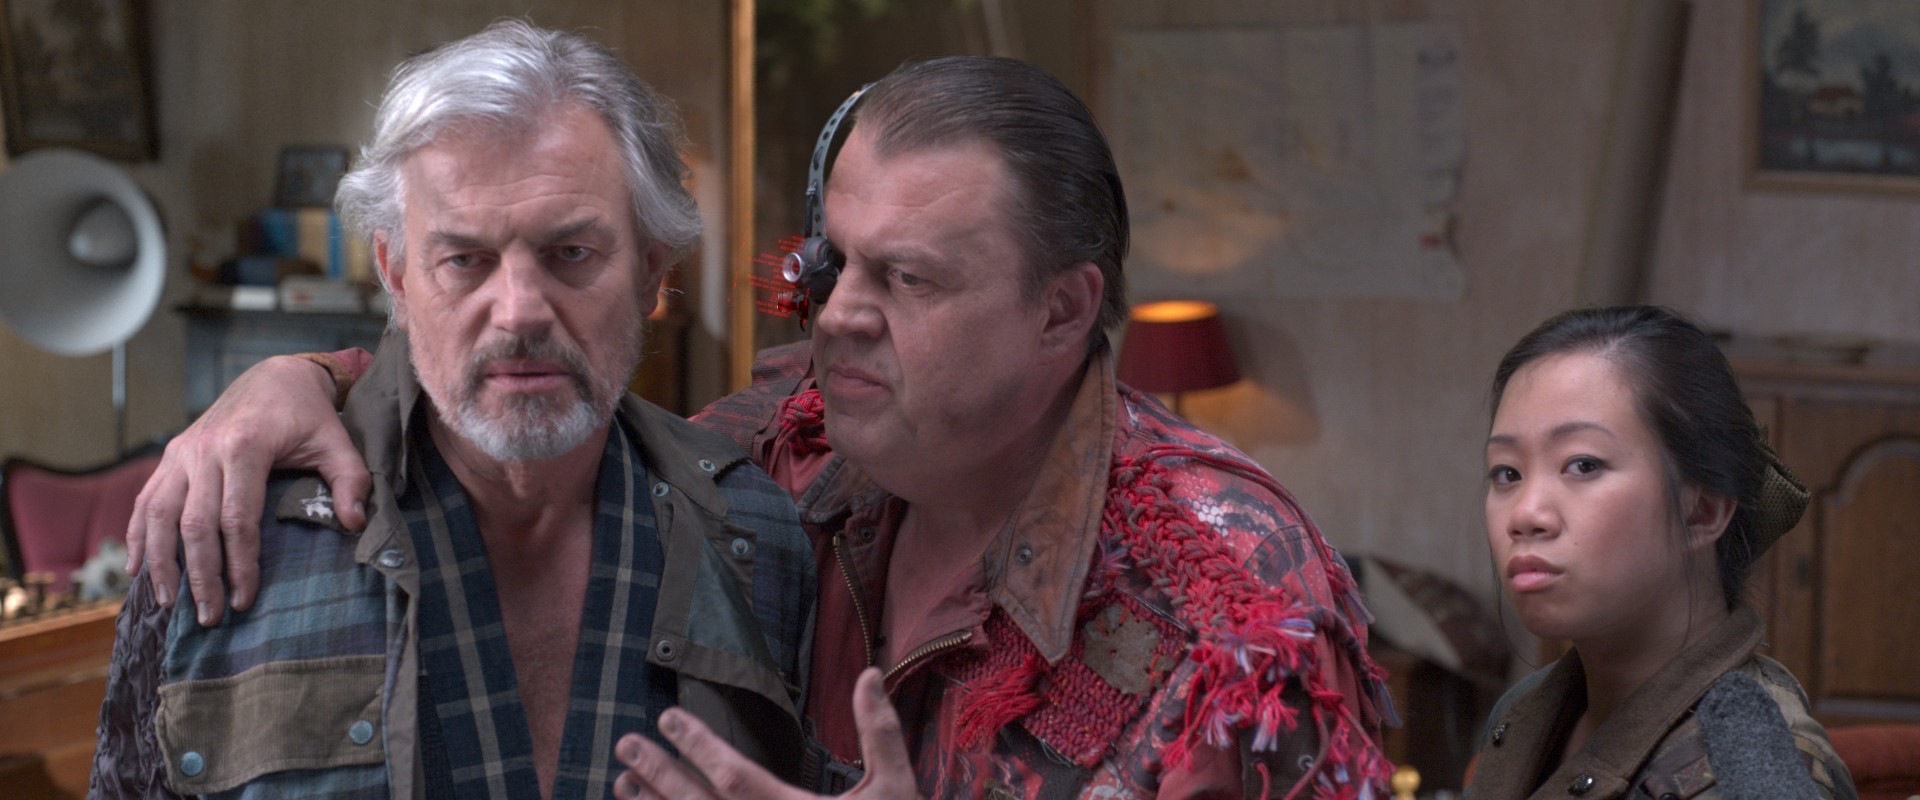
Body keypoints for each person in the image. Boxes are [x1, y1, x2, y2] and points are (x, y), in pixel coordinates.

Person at [126, 56, 1393, 799]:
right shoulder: (792, 446)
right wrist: (300, 378)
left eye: (908, 278)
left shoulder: (1238, 613)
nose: (837, 316)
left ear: (1063, 308)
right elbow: (529, 389)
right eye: (832, 262)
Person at [91, 20, 814, 799]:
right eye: (465, 259)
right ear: (396, 275)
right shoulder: (225, 523)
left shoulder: (757, 536)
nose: (519, 310)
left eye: (571, 253)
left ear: (648, 272)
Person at [1466, 306, 1854, 800]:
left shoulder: (1750, 772)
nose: (1525, 514)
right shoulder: (1522, 712)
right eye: (1507, 473)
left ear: (1702, 512)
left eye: (1583, 464)